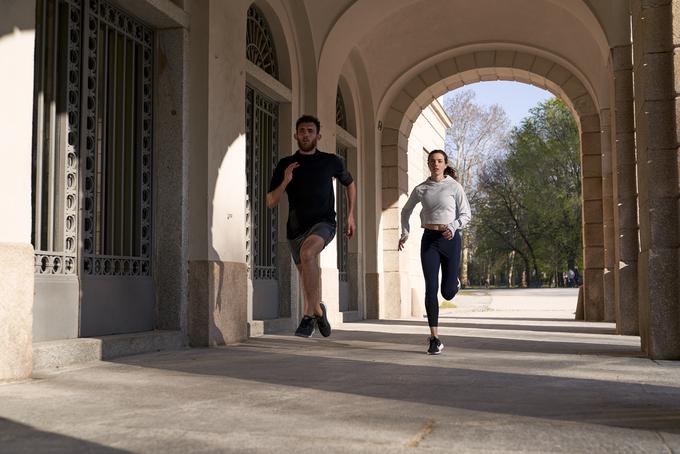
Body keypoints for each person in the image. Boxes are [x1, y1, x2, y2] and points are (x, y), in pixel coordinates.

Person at [267, 114, 356, 338]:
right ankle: (318, 310)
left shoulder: (331, 161)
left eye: (310, 131)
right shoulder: (285, 164)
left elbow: (350, 183)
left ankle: (307, 317)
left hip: (324, 223)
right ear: (295, 135)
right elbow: (270, 201)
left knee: (308, 254)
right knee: (307, 278)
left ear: (318, 135)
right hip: (295, 229)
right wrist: (286, 179)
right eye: (302, 131)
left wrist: (351, 215)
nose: (305, 134)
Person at [398, 150, 471, 355]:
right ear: (428, 164)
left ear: (445, 164)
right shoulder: (421, 189)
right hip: (429, 240)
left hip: (450, 240)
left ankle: (453, 282)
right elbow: (406, 211)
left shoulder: (454, 187)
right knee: (430, 288)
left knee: (447, 293)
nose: (436, 164)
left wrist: (454, 226)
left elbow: (467, 214)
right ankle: (434, 338)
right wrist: (405, 233)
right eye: (432, 161)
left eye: (439, 161)